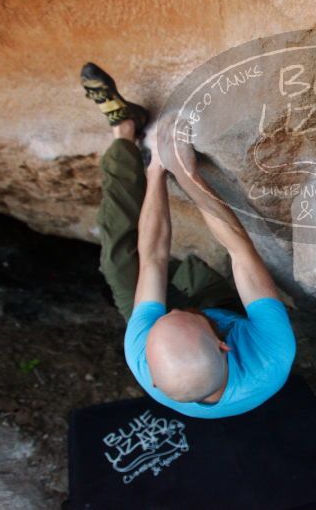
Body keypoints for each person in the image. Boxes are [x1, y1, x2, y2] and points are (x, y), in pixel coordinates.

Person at [81, 62, 296, 418]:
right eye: (183, 314)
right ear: (223, 344)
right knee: (180, 287)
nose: (174, 307)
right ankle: (195, 291)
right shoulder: (271, 354)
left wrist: (156, 169)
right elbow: (240, 251)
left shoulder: (142, 353)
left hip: (181, 334)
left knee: (119, 263)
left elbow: (153, 258)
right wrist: (186, 171)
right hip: (220, 305)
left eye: (165, 316)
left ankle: (125, 130)